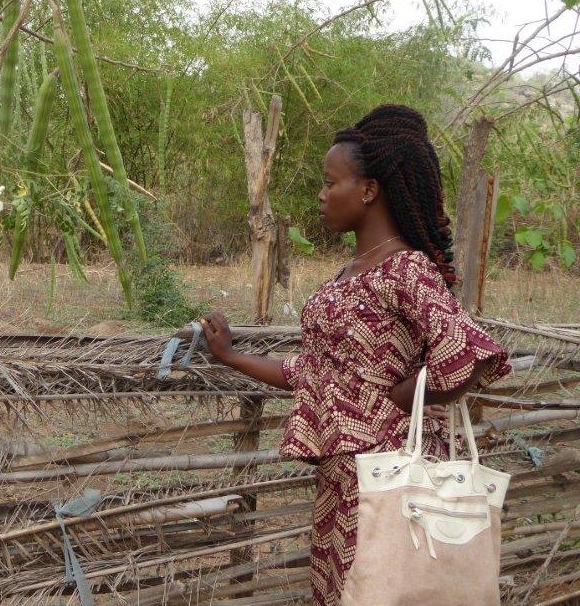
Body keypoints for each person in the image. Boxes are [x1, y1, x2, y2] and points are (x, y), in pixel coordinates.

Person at [199, 104, 512, 606]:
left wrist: (402, 395)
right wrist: (232, 356)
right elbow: (314, 374)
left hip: (391, 479)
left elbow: (468, 351)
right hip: (343, 484)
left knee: (385, 588)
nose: (322, 196)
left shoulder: (406, 270)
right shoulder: (350, 274)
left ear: (368, 190)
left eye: (331, 182)